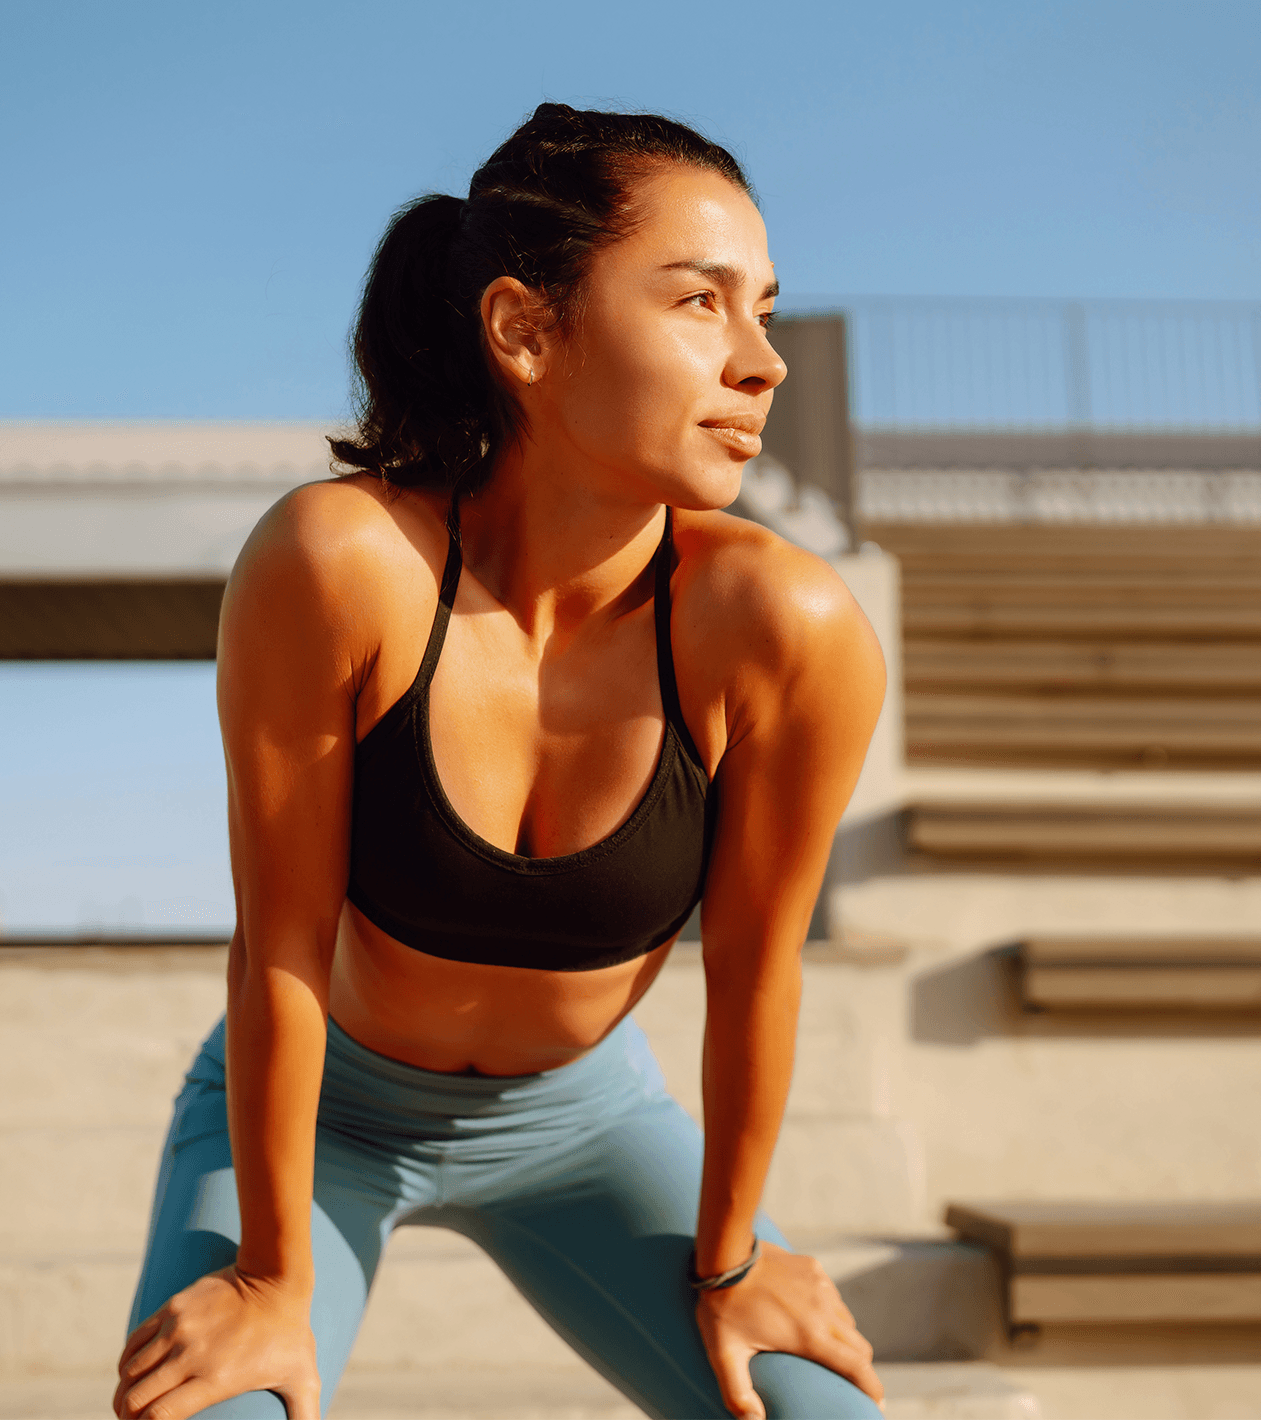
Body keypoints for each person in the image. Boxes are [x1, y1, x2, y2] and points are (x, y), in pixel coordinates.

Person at [113, 103, 887, 1420]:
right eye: (701, 304)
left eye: (764, 308)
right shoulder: (344, 565)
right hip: (324, 1117)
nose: (762, 361)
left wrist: (734, 1258)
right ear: (526, 330)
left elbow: (760, 970)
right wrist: (271, 1276)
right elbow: (279, 946)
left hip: (586, 1127)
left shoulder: (785, 628)